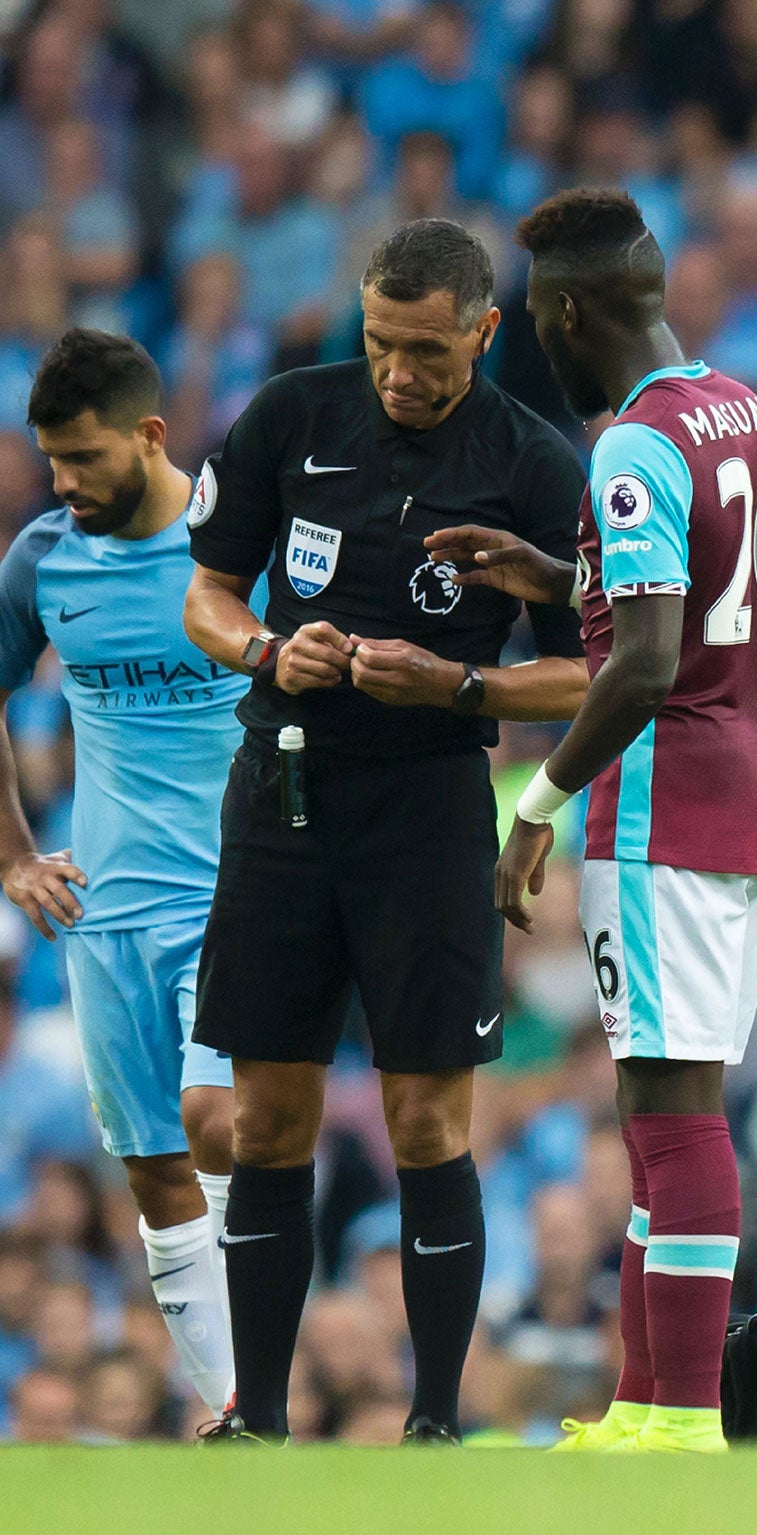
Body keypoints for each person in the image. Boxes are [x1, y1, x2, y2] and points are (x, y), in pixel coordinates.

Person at [181, 218, 589, 1445]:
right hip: (284, 799)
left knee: (425, 1120)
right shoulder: (290, 417)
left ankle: (431, 1421)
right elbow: (205, 592)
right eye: (378, 344)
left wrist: (458, 688)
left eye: (426, 351)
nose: (399, 373)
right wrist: (265, 648)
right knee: (268, 1117)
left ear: (483, 330)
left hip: (425, 817)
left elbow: (591, 672)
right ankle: (257, 1415)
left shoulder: (533, 462)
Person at [424, 188, 757, 1455]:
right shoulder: (738, 408)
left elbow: (640, 668)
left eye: (536, 315)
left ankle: (681, 1421)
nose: (538, 338)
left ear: (571, 310)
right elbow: (695, 607)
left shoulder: (630, 447)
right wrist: (556, 575)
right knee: (665, 1112)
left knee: (675, 1115)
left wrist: (533, 806)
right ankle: (645, 1406)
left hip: (665, 808)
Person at [0, 329, 241, 1415]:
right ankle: (241, 1410)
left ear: (151, 435)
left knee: (221, 1120)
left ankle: (266, 1380)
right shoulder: (44, 559)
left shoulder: (245, 542)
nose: (64, 483)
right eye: (51, 461)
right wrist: (11, 851)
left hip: (240, 896)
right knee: (153, 1173)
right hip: (104, 914)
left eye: (84, 458)